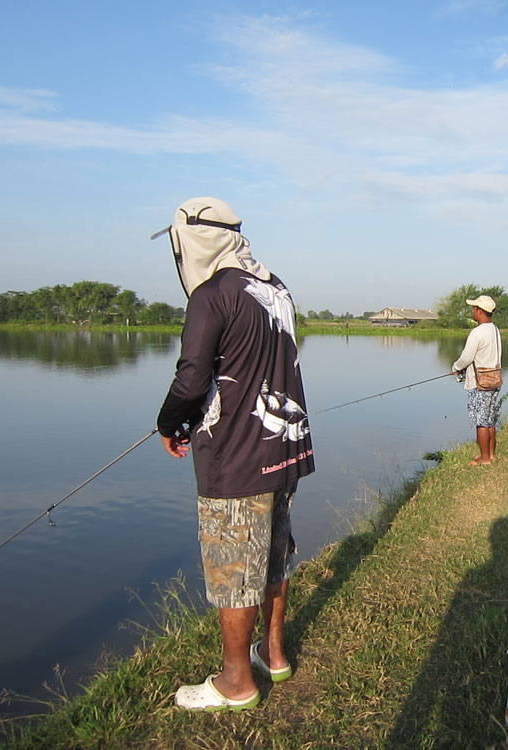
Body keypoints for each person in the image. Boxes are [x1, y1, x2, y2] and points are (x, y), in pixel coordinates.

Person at [154, 197, 315, 711]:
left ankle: (236, 682)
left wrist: (167, 423)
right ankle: (274, 655)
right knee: (273, 556)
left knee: (233, 568)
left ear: (192, 242)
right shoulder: (276, 287)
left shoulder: (211, 294)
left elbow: (191, 378)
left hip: (237, 459)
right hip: (284, 451)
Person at [452, 295, 502, 465]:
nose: (472, 311)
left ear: (480, 311)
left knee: (481, 422)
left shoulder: (477, 333)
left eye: (474, 308)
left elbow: (466, 358)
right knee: (489, 420)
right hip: (494, 379)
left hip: (479, 383)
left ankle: (485, 458)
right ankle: (491, 454)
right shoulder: (494, 329)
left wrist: (455, 368)